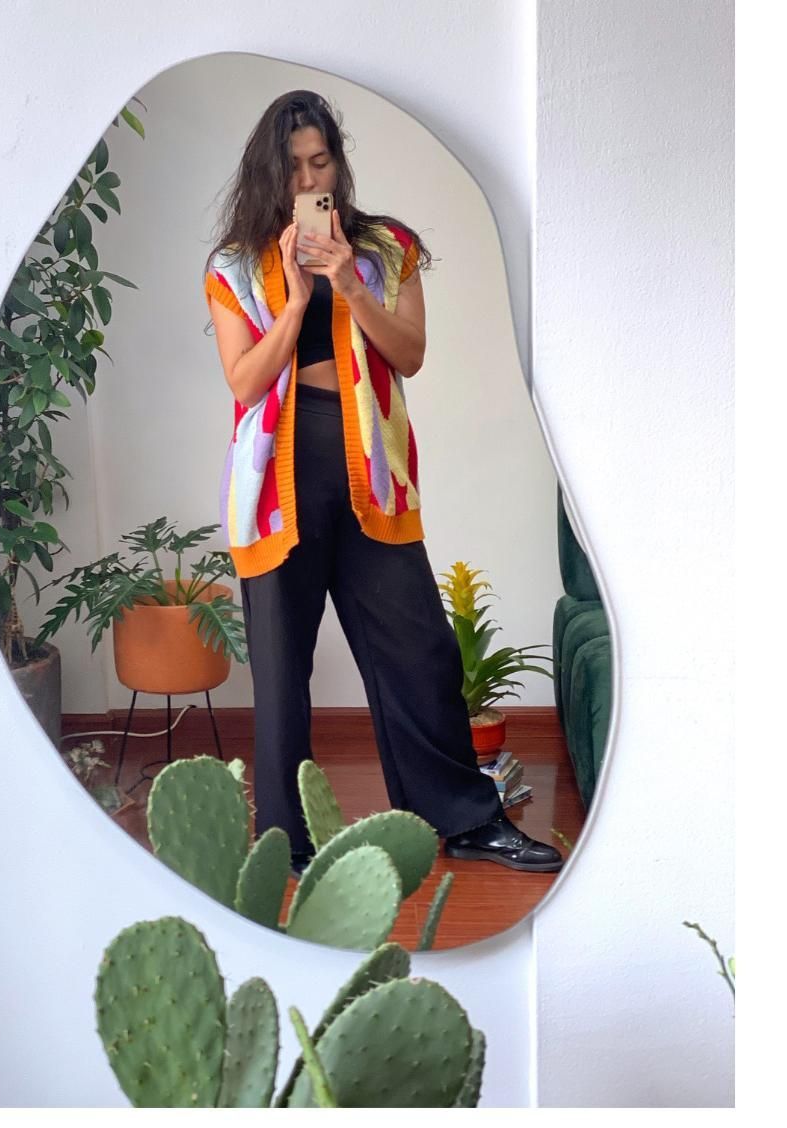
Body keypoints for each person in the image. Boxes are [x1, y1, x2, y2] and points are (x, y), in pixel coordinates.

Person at [202, 90, 562, 875]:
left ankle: (467, 821)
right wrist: (295, 303)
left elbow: (410, 354)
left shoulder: (386, 248)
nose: (309, 180)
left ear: (339, 163)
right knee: (281, 670)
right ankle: (286, 844)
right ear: (269, 172)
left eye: (320, 162)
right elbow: (245, 382)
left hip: (371, 471)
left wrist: (350, 284)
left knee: (420, 652)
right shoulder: (235, 266)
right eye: (293, 167)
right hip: (279, 484)